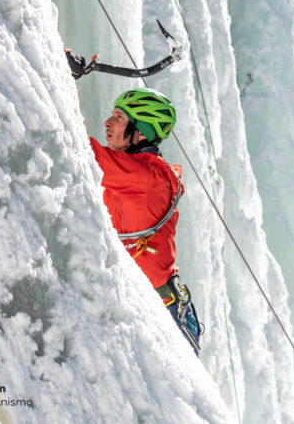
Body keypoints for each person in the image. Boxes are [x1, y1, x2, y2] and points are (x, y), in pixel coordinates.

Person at [78, 76, 202, 353]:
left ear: (141, 133)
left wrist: (57, 74)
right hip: (154, 302)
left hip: (161, 309)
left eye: (119, 118)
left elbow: (83, 150)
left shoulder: (146, 176)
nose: (108, 123)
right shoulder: (135, 173)